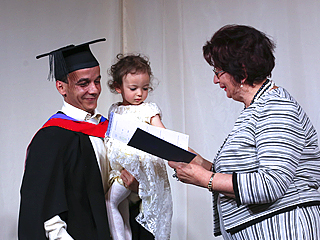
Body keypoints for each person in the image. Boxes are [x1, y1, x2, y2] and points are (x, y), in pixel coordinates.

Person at [168, 25, 320, 240]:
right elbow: (249, 176)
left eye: (219, 71)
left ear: (241, 70)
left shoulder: (276, 107)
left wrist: (204, 178)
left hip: (283, 230)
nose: (215, 80)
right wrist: (200, 164)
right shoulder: (258, 108)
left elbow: (270, 183)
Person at [18, 39, 144, 240]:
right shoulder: (51, 139)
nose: (94, 90)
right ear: (61, 87)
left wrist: (136, 189)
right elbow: (47, 215)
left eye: (97, 81)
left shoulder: (109, 129)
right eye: (83, 83)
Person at [104, 54, 172, 240]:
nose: (140, 94)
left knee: (110, 202)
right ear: (118, 87)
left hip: (139, 167)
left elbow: (163, 135)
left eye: (145, 88)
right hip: (121, 169)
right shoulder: (114, 109)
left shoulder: (147, 109)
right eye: (133, 88)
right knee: (122, 208)